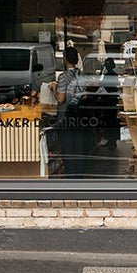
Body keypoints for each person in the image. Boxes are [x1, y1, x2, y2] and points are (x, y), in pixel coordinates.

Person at [49, 46, 87, 177]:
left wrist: (54, 88)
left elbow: (60, 98)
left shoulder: (63, 77)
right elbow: (85, 96)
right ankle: (80, 174)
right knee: (79, 147)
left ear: (65, 59)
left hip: (65, 116)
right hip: (79, 115)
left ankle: (71, 175)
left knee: (67, 148)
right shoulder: (81, 75)